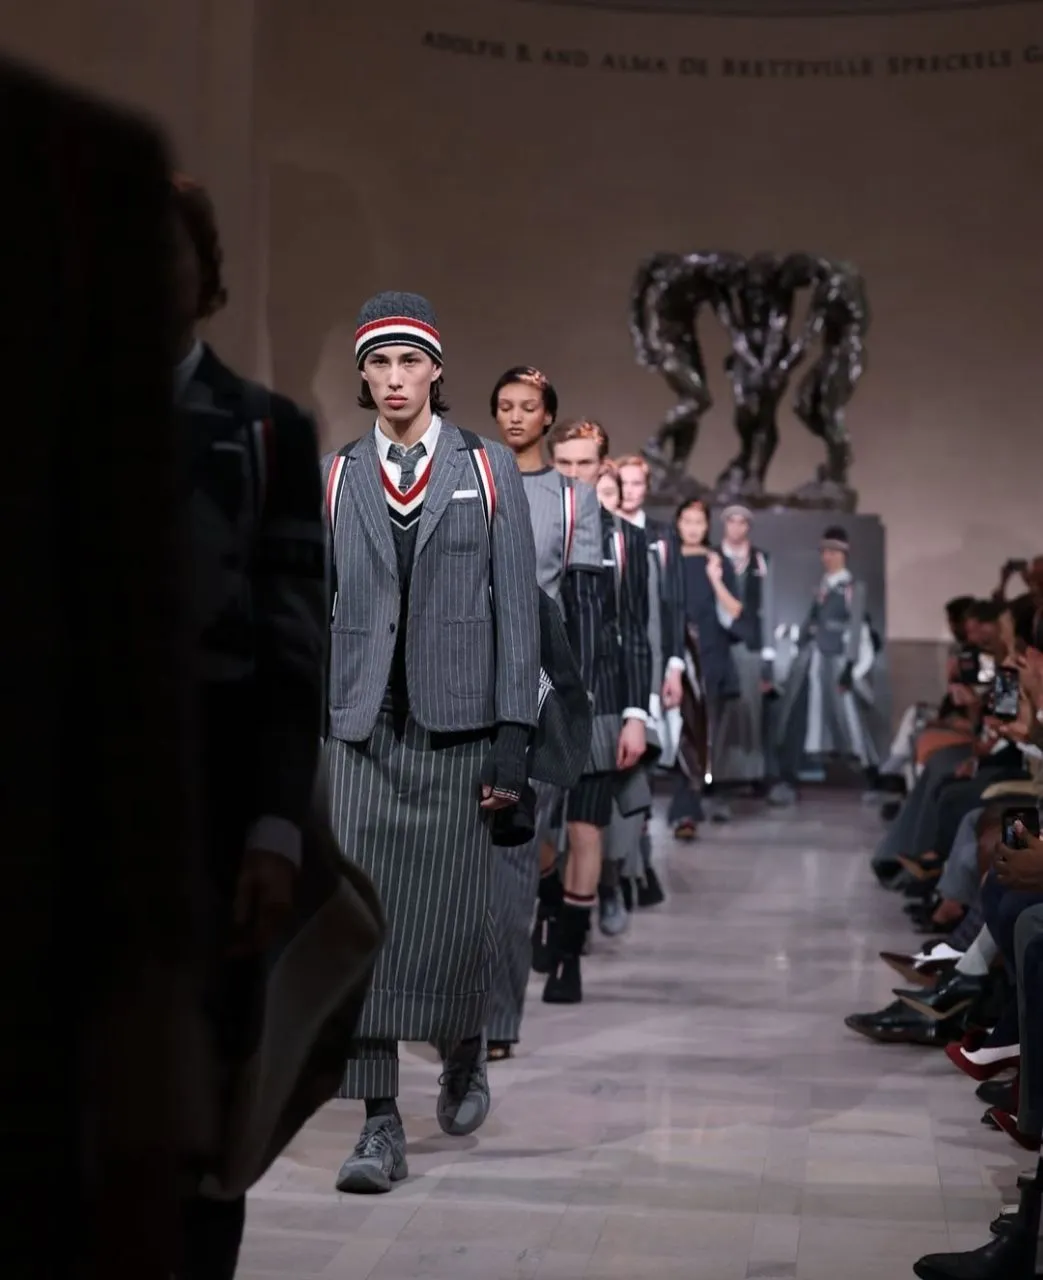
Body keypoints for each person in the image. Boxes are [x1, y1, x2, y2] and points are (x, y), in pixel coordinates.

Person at [324, 292, 541, 1193]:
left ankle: (463, 1047)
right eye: (378, 363)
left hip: (458, 731)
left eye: (408, 361)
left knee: (452, 923)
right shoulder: (336, 475)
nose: (393, 378)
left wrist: (514, 740)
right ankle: (379, 1124)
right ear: (364, 374)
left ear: (436, 370)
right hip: (360, 732)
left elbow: (518, 610)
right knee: (358, 932)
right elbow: (316, 608)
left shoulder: (486, 468)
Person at [171, 175, 327, 1277]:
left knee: (199, 1121)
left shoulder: (267, 430)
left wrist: (275, 827)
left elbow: (291, 648)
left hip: (209, 826)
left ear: (205, 275)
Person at [486, 365, 603, 1060]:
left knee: (518, 853)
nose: (514, 416)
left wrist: (575, 705)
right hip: (468, 684)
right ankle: (464, 1007)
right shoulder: (474, 479)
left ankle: (498, 1016)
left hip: (537, 690)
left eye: (527, 406)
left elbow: (583, 606)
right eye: (504, 405)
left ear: (547, 415)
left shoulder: (571, 499)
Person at [540, 419, 651, 1001]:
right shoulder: (527, 526)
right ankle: (547, 908)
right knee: (535, 832)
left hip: (603, 697)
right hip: (537, 695)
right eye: (565, 463)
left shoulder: (625, 541)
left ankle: (568, 954)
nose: (575, 474)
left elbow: (635, 631)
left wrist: (636, 713)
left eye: (585, 464)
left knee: (587, 828)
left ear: (603, 467)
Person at [772, 525, 879, 806]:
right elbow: (813, 623)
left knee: (850, 722)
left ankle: (873, 778)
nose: (827, 557)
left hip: (836, 662)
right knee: (796, 715)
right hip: (812, 661)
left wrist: (850, 669)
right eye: (824, 551)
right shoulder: (824, 586)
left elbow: (857, 631)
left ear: (844, 553)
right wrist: (799, 636)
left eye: (832, 551)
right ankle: (787, 778)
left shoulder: (852, 589)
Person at [669, 498, 743, 839]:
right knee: (682, 730)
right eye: (687, 521)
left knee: (702, 730)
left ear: (707, 526)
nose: (693, 528)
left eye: (699, 522)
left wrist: (715, 579)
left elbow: (735, 611)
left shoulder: (717, 561)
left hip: (711, 655)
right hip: (675, 653)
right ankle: (683, 807)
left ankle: (691, 805)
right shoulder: (667, 557)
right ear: (678, 523)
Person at [715, 503, 775, 797]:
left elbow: (769, 606)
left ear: (748, 527)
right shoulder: (713, 557)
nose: (736, 527)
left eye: (742, 522)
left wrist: (768, 655)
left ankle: (753, 773)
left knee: (751, 711)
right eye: (731, 522)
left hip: (750, 643)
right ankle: (716, 773)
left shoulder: (761, 560)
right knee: (721, 712)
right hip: (719, 643)